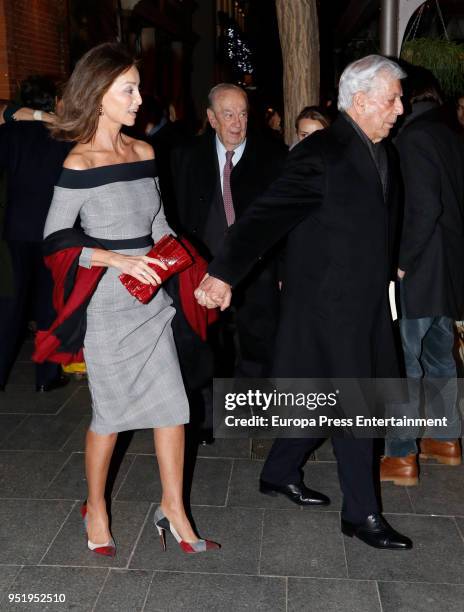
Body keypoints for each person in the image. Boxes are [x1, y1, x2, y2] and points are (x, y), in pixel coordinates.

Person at [195, 55, 412, 550]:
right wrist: (224, 272)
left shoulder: (383, 151)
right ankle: (362, 515)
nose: (399, 108)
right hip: (327, 309)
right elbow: (264, 217)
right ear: (360, 100)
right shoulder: (322, 153)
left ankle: (278, 472)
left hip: (366, 304)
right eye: (392, 98)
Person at [39, 42, 219, 556]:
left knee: (173, 408)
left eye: (138, 87)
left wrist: (196, 277)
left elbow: (160, 226)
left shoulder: (144, 152)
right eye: (129, 89)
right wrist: (113, 259)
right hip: (107, 307)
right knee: (111, 416)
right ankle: (95, 505)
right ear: (99, 95)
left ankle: (173, 507)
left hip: (151, 303)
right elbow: (54, 237)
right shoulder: (79, 162)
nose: (141, 98)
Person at [171, 83, 287, 442]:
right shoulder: (186, 156)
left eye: (243, 114)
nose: (237, 123)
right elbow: (175, 213)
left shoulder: (273, 156)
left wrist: (282, 269)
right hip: (201, 268)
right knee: (203, 344)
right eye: (228, 114)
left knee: (257, 341)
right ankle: (204, 418)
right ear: (211, 118)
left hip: (257, 270)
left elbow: (283, 219)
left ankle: (252, 413)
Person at [380, 69, 464, 486]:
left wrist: (401, 262)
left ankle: (401, 455)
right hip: (446, 273)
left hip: (418, 272)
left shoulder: (413, 138)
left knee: (404, 364)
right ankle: (445, 440)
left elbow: (423, 208)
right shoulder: (450, 134)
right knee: (440, 359)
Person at [0, 76, 72, 392]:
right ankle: (47, 376)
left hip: (15, 229)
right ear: (52, 100)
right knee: (49, 306)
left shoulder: (8, 134)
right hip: (52, 231)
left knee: (10, 307)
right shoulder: (64, 137)